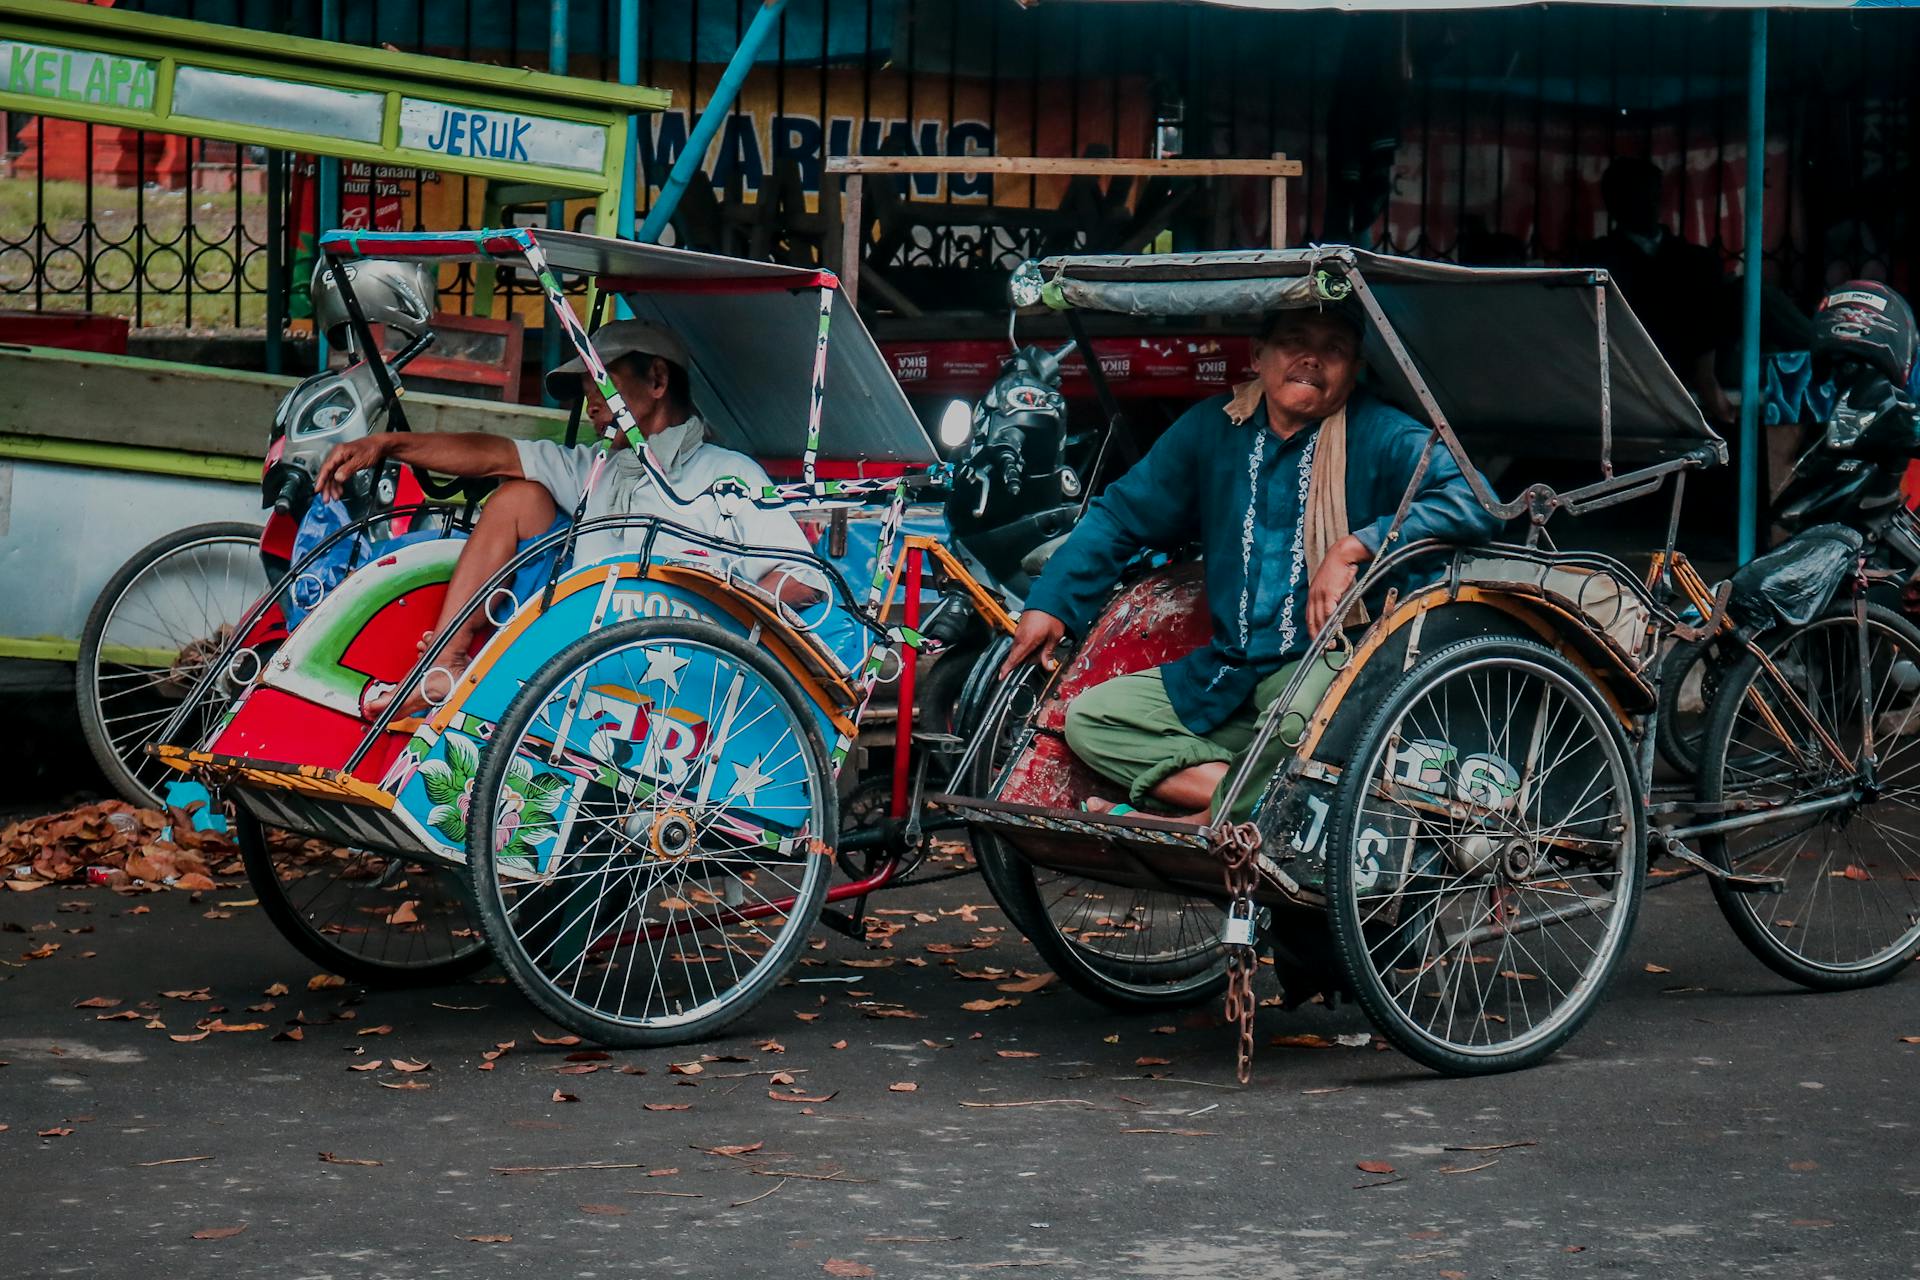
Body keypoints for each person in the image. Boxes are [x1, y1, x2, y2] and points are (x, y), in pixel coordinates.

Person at [999, 306, 1501, 823]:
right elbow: (1123, 516)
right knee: (1091, 719)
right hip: (1231, 666)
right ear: (1258, 356)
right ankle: (1243, 801)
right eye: (1295, 341)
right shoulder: (1214, 427)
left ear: (1355, 370)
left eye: (1334, 349)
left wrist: (1354, 546)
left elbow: (1475, 501)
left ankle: (1200, 820)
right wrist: (1051, 603)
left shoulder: (1383, 433)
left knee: (1298, 725)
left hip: (1338, 656)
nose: (1312, 358)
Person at [316, 319, 822, 719]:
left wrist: (722, 598)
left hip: (672, 679)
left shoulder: (728, 475)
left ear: (658, 381)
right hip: (567, 657)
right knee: (517, 495)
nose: (592, 405)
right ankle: (445, 663)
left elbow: (805, 580)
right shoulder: (594, 466)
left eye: (601, 385)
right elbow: (492, 453)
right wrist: (387, 445)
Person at [1584, 156, 1737, 426]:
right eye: (1637, 194)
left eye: (1652, 193)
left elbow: (1711, 318)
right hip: (1632, 371)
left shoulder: (1697, 260)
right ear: (1614, 204)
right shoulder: (1599, 260)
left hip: (1699, 365)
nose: (1649, 202)